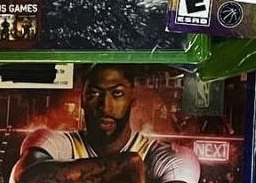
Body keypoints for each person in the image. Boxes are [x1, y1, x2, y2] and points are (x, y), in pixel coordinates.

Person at [12, 65, 199, 183]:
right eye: (94, 94)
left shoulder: (171, 159)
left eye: (117, 94)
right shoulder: (52, 141)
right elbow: (24, 178)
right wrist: (124, 165)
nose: (105, 106)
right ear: (82, 100)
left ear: (132, 100)